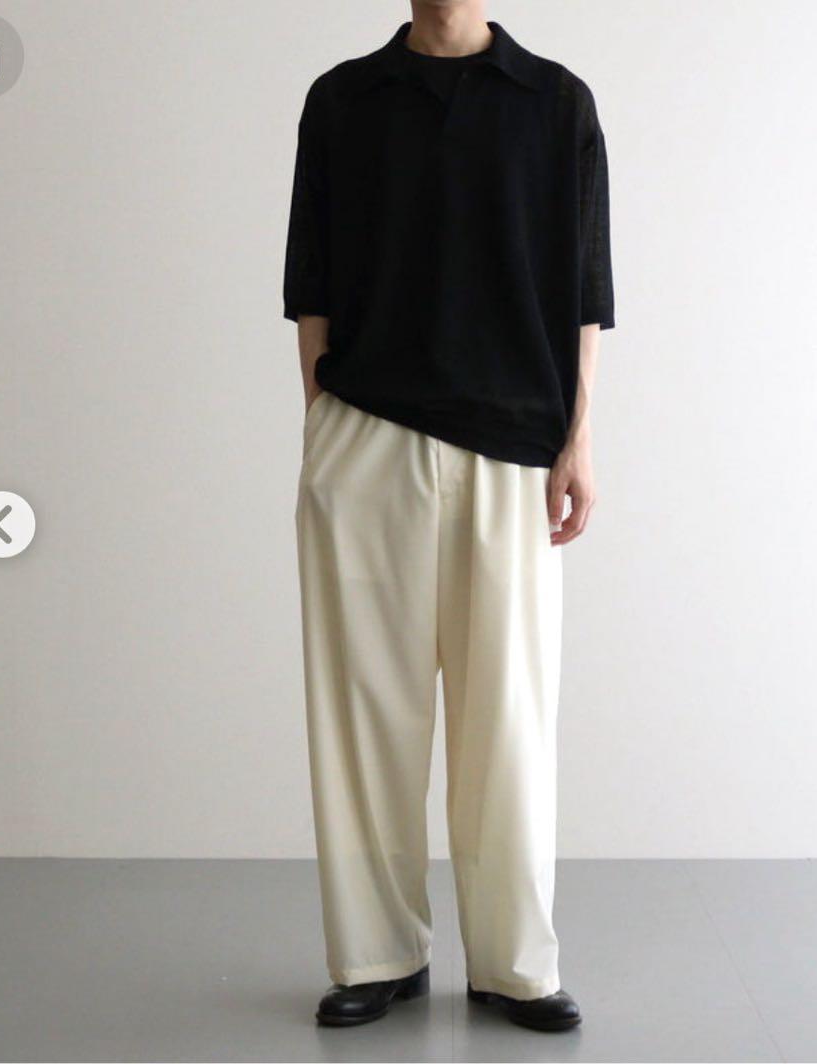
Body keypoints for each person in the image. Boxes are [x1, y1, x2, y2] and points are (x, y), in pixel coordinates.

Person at [284, 0, 613, 1033]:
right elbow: (310, 281)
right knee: (363, 709)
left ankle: (514, 963)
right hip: (365, 433)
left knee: (508, 713)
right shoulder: (343, 99)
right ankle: (377, 953)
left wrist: (577, 437)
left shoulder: (556, 102)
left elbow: (585, 290)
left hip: (513, 443)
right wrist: (324, 430)